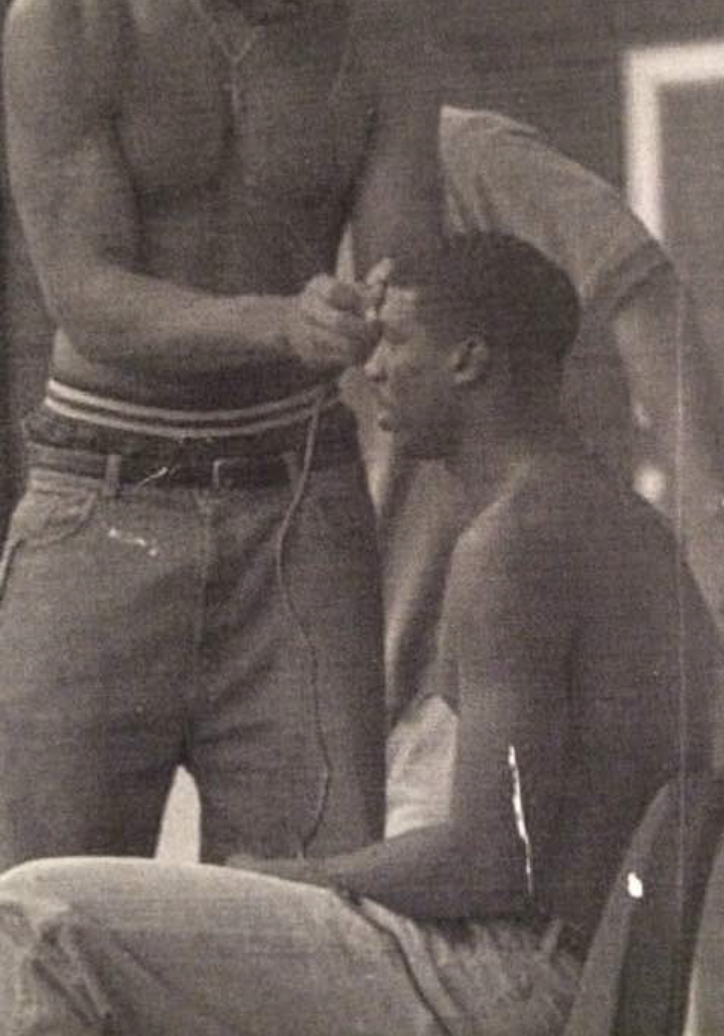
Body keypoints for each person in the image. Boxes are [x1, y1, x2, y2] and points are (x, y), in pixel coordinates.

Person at [0, 232, 715, 1036]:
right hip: (549, 970)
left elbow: (489, 860)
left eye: (396, 342)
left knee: (36, 914)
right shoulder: (629, 530)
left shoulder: (515, 544)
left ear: (468, 361)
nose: (369, 368)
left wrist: (298, 875)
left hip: (496, 979)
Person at [0, 0, 442, 871]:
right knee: (53, 911)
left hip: (302, 508)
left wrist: (385, 310)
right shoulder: (74, 17)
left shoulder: (379, 29)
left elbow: (407, 264)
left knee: (313, 910)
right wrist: (278, 326)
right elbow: (88, 298)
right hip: (101, 511)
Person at [378, 104, 724, 834]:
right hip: (339, 686)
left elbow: (637, 282)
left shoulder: (452, 153)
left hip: (465, 674)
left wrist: (709, 527)